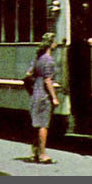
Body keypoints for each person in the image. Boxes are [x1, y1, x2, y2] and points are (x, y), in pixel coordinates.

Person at [28, 33, 59, 164]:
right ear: (51, 44)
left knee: (36, 124)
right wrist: (54, 97)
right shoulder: (49, 60)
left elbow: (28, 74)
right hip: (44, 95)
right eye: (55, 42)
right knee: (43, 125)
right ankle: (42, 154)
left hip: (35, 93)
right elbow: (48, 80)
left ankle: (34, 152)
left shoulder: (38, 58)